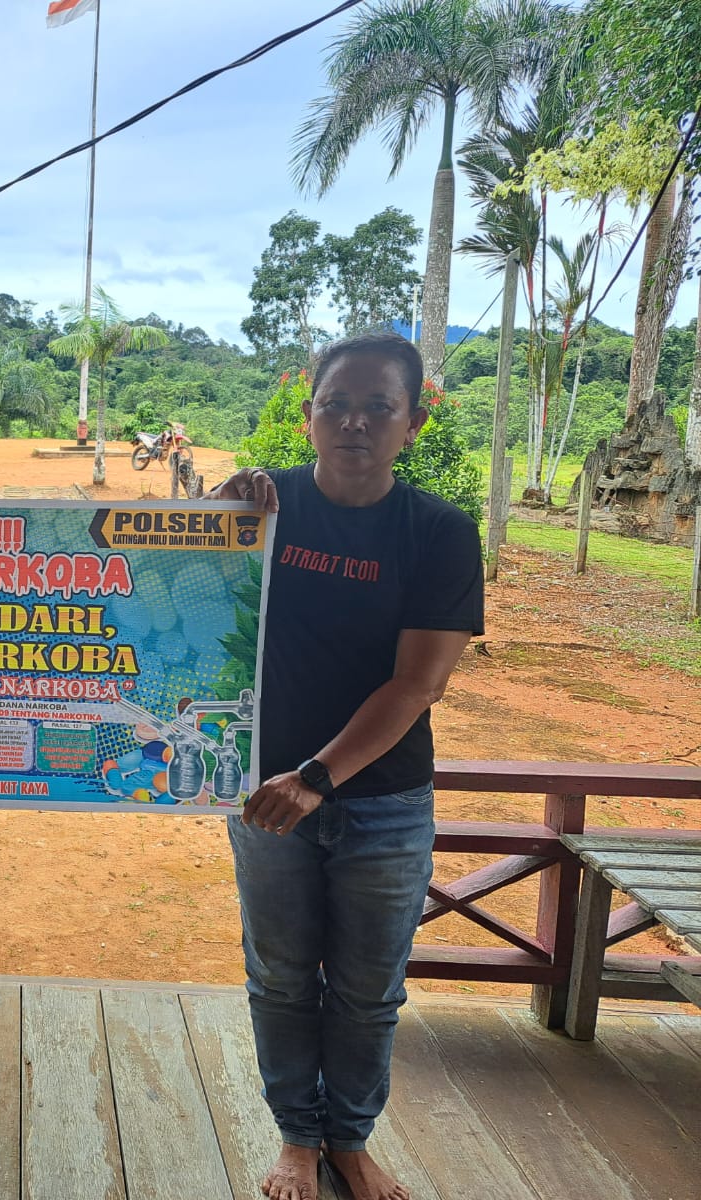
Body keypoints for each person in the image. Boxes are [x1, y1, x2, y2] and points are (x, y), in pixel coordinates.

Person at [210, 332, 483, 1200]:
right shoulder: (265, 509)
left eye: (378, 407)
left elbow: (417, 684)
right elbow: (167, 592)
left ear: (413, 421)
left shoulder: (439, 532)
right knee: (282, 978)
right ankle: (298, 1137)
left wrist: (316, 777)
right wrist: (214, 521)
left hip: (384, 803)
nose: (354, 422)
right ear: (308, 416)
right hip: (264, 799)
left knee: (369, 991)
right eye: (336, 404)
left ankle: (351, 1140)